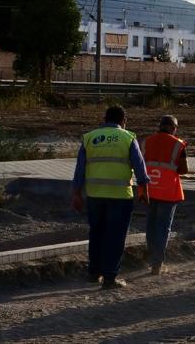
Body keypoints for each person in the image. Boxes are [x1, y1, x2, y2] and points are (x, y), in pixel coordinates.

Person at [71, 105, 150, 289]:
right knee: (115, 237)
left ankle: (94, 272)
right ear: (123, 121)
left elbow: (80, 169)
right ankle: (110, 277)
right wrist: (144, 191)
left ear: (105, 119)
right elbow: (140, 168)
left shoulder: (89, 138)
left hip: (95, 196)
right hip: (120, 197)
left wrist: (76, 194)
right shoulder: (128, 138)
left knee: (96, 233)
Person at [142, 114, 188, 276]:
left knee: (151, 226)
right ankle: (157, 264)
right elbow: (183, 169)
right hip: (168, 192)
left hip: (150, 189)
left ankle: (151, 257)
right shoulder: (178, 144)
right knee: (163, 228)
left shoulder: (147, 141)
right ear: (173, 128)